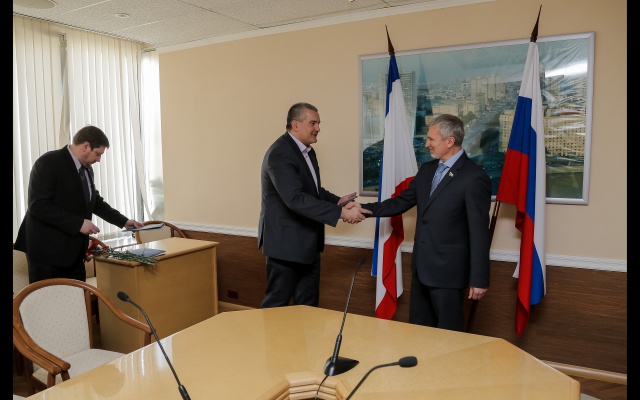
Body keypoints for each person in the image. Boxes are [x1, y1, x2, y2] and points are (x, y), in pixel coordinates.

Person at [358, 114, 491, 331]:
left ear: (450, 141)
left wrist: (479, 279)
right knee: (418, 331)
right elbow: (400, 202)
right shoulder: (427, 170)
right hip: (421, 269)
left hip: (449, 274)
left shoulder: (474, 177)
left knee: (449, 335)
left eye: (431, 139)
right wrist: (363, 210)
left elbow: (479, 233)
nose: (426, 144)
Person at [258, 102, 371, 308]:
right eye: (313, 123)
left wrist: (337, 201)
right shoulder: (280, 153)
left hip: (308, 244)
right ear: (295, 124)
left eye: (318, 123)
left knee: (308, 306)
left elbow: (313, 191)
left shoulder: (308, 152)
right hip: (285, 246)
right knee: (276, 306)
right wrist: (340, 212)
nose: (318, 128)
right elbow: (295, 199)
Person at [14, 125, 144, 283]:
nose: (99, 159)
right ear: (85, 146)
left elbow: (94, 202)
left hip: (74, 253)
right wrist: (79, 224)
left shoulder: (87, 169)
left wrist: (123, 221)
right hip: (47, 253)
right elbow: (38, 206)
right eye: (98, 154)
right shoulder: (48, 162)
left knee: (78, 297)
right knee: (48, 298)